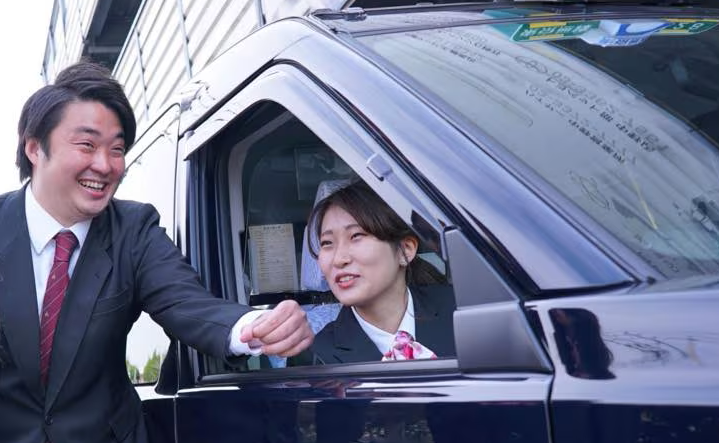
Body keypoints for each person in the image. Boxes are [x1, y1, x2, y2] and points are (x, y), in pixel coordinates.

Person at [0, 61, 313, 443]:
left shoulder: (133, 229)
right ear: (35, 148)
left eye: (117, 149)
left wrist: (254, 326)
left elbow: (185, 302)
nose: (105, 165)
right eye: (87, 145)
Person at [293, 180, 456, 365]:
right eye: (327, 243)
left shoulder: (461, 314)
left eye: (356, 236)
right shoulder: (315, 356)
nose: (339, 259)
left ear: (406, 249)